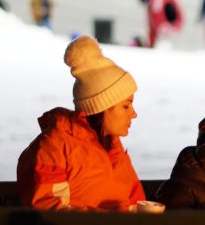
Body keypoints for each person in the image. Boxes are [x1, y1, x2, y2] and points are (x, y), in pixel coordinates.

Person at [17, 35, 146, 211]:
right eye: (126, 106)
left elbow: (136, 206)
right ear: (102, 107)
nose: (134, 114)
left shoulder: (116, 152)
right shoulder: (54, 148)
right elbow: (49, 214)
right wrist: (114, 220)